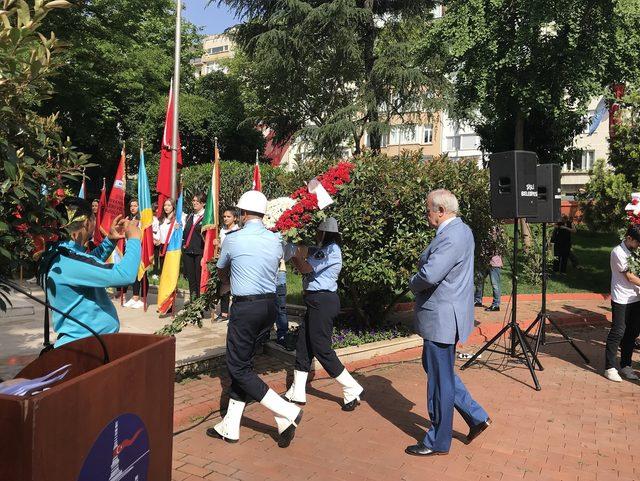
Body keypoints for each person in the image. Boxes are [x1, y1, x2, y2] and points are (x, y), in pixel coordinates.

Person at [207, 190, 302, 448]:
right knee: (245, 364)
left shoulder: (233, 239)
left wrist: (227, 283)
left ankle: (286, 411)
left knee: (237, 367)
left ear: (243, 213)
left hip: (245, 308)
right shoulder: (276, 239)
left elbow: (221, 270)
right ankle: (230, 425)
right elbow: (294, 255)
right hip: (269, 306)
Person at [406, 189, 490, 456]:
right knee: (437, 370)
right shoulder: (461, 230)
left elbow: (430, 274)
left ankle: (437, 441)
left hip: (441, 316)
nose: (426, 214)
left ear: (441, 211)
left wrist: (411, 283)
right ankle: (476, 416)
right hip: (446, 315)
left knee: (440, 380)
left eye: (428, 209)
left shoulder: (452, 235)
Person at [285, 217, 364, 410]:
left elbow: (305, 268)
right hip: (315, 300)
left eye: (318, 231)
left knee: (321, 348)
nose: (315, 234)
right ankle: (298, 390)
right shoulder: (321, 249)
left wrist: (292, 253)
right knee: (304, 345)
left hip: (323, 301)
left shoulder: (331, 251)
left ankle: (351, 387)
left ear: (325, 233)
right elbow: (305, 251)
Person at [42, 197, 141, 347]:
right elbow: (125, 275)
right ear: (87, 222)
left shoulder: (58, 254)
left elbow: (86, 266)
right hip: (86, 347)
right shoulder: (69, 260)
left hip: (84, 342)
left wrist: (109, 241)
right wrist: (134, 238)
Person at [604, 224, 640, 382]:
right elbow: (630, 277)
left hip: (636, 297)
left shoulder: (636, 250)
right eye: (637, 242)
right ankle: (609, 367)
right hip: (621, 298)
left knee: (632, 332)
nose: (639, 245)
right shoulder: (618, 252)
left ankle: (626, 364)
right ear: (629, 238)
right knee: (619, 330)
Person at [215, 208, 240, 321]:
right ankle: (224, 312)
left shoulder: (238, 230)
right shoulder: (222, 230)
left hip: (234, 262)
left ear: (235, 218)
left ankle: (237, 313)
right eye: (224, 216)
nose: (225, 218)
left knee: (234, 288)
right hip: (223, 261)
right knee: (223, 287)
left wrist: (221, 246)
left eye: (228, 216)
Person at [182, 193, 206, 301]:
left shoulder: (206, 217)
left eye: (198, 201)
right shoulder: (189, 216)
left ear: (203, 203)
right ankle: (193, 303)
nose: (195, 203)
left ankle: (199, 305)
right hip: (188, 251)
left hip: (199, 252)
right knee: (191, 279)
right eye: (193, 200)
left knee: (199, 279)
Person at [123, 198, 145, 309]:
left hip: (139, 248)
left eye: (135, 206)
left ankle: (139, 297)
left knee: (140, 272)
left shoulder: (142, 220)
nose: (132, 208)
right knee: (134, 272)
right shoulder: (129, 218)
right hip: (129, 247)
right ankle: (136, 296)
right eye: (131, 206)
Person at [154, 198, 176, 277]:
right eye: (165, 205)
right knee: (163, 269)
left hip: (172, 247)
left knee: (171, 270)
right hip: (162, 246)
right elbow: (158, 233)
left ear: (173, 206)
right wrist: (156, 240)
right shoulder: (161, 219)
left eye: (169, 205)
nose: (166, 207)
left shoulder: (177, 220)